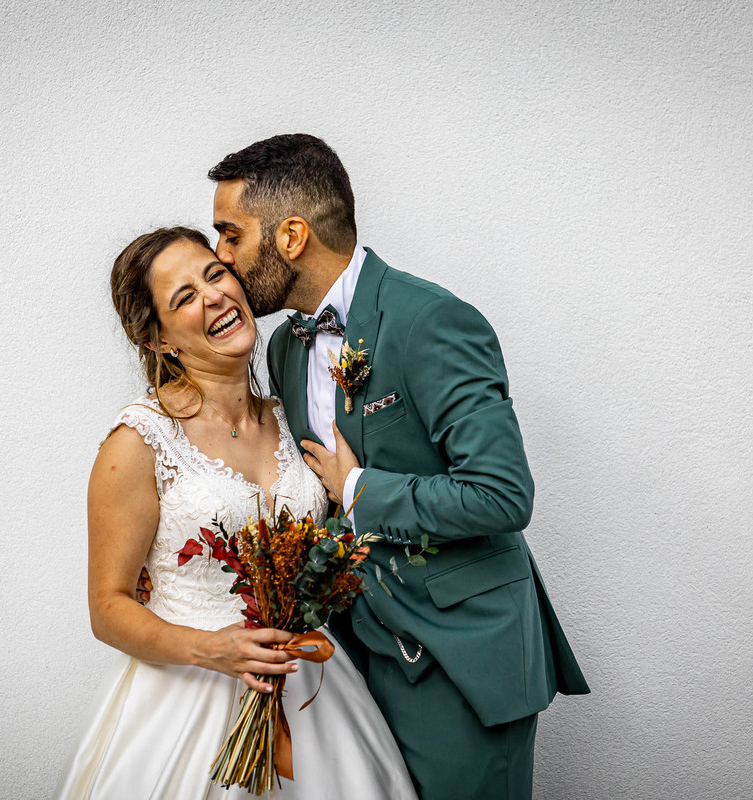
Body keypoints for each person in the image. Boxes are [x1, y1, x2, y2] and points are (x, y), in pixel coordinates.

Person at [208, 134, 590, 800]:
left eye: (231, 234)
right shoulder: (285, 350)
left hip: (457, 659)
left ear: (291, 235)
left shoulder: (432, 321)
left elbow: (502, 495)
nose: (222, 257)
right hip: (350, 665)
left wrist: (358, 488)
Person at [54, 226, 417, 799]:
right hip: (187, 698)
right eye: (185, 297)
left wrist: (352, 488)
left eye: (215, 274)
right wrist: (211, 648)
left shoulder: (294, 415)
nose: (214, 296)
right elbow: (107, 607)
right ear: (158, 340)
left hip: (311, 686)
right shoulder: (139, 442)